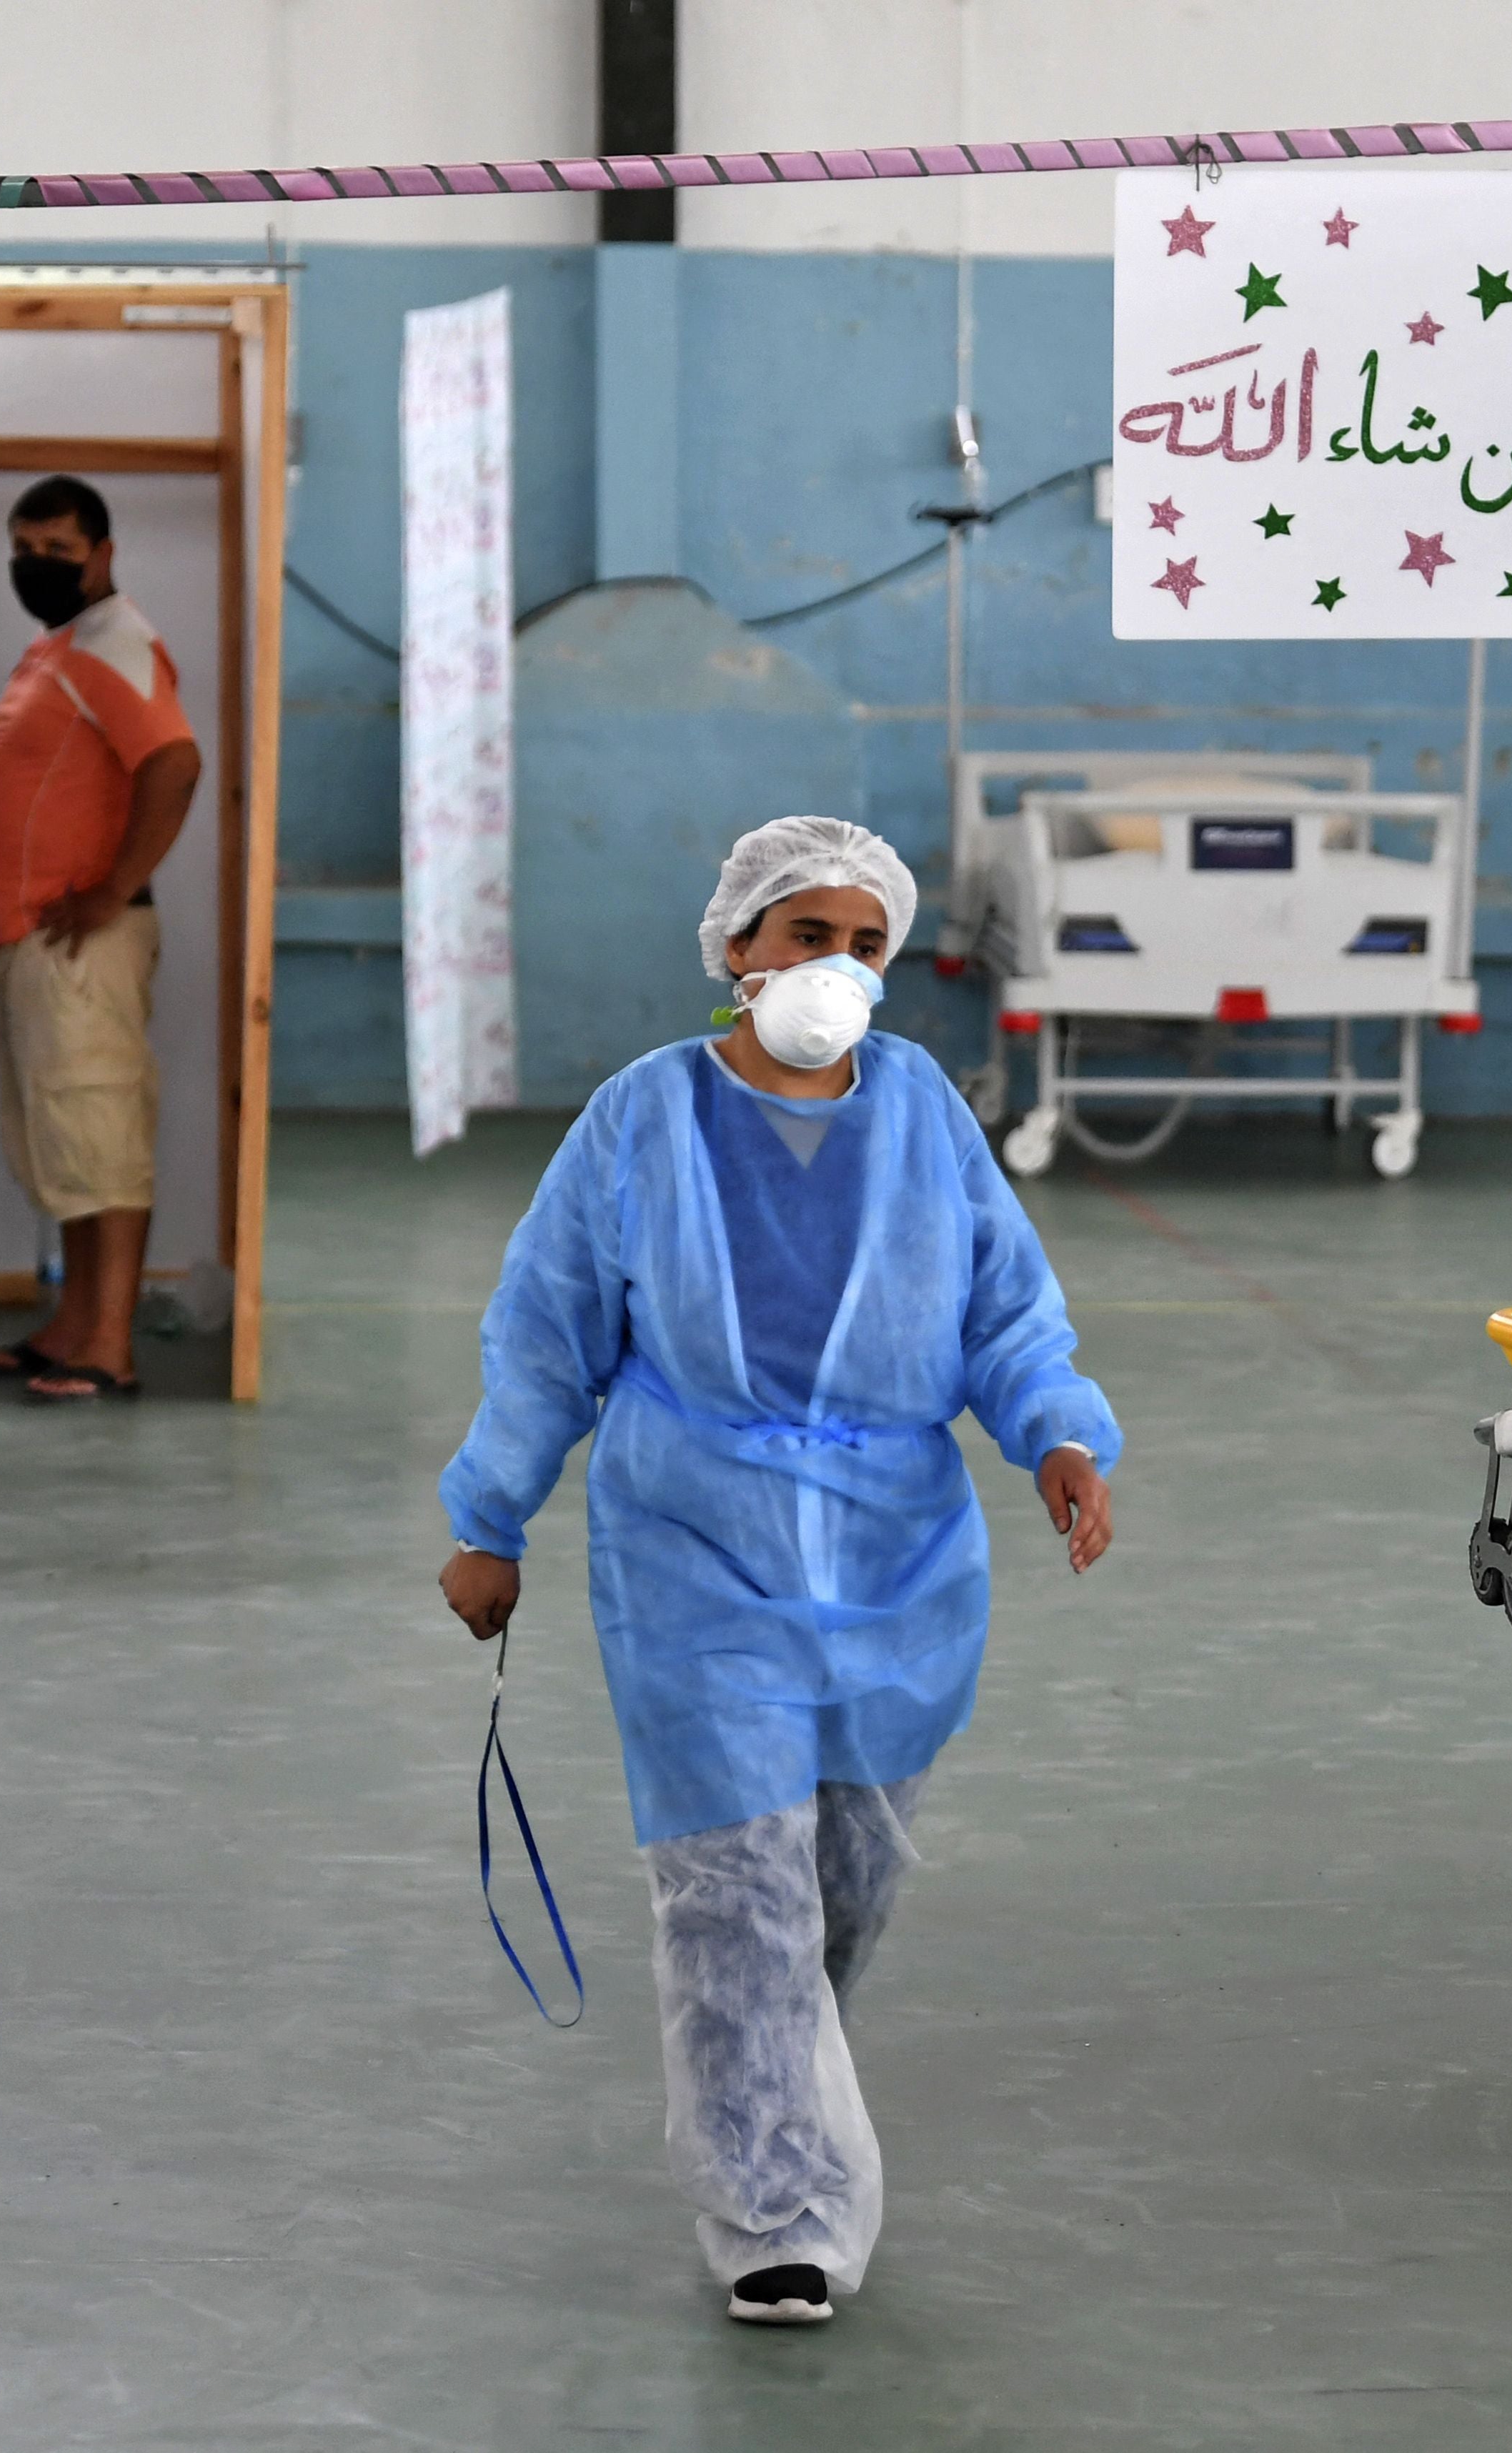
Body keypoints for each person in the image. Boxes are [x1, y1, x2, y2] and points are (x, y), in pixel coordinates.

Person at [436, 815, 1122, 2327]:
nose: (837, 969)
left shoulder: (925, 1114)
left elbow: (1007, 1310)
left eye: (866, 944)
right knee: (733, 1888)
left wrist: (1058, 1437)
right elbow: (548, 1330)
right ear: (736, 949)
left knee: (843, 1887)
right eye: (807, 937)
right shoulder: (640, 1121)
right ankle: (776, 2216)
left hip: (898, 1561)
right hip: (694, 1548)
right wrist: (492, 1516)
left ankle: (778, 2086)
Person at [0, 476, 205, 1399]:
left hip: (83, 951)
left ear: (103, 554)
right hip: (37, 943)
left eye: (58, 550)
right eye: (24, 548)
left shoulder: (119, 642)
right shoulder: (64, 644)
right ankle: (72, 1326)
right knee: (61, 1139)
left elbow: (176, 762)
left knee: (100, 1134)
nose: (37, 565)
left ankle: (110, 1345)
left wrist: (113, 888)